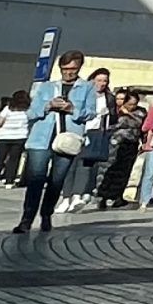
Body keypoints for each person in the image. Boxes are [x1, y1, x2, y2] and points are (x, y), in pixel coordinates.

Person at [15, 50, 106, 234]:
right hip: (41, 139)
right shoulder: (47, 87)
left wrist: (72, 108)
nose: (68, 73)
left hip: (67, 140)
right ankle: (26, 220)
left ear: (79, 67)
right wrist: (48, 105)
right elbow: (31, 113)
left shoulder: (87, 87)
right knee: (36, 179)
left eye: (72, 69)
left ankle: (46, 214)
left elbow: (91, 113)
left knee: (57, 180)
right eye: (65, 69)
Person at [58, 68, 117, 214]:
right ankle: (66, 198)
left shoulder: (108, 97)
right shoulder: (81, 93)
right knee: (69, 165)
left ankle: (78, 195)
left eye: (105, 81)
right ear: (92, 80)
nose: (102, 84)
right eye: (99, 80)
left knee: (86, 165)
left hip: (95, 133)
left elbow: (113, 117)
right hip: (77, 131)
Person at [94, 93, 146, 208]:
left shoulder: (140, 112)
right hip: (114, 143)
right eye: (129, 104)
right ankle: (102, 195)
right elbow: (107, 125)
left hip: (131, 143)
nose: (132, 106)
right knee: (108, 168)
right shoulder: (114, 111)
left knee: (124, 171)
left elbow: (141, 125)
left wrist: (128, 114)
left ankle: (116, 196)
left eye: (134, 104)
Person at [0, 92, 29, 185]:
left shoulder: (8, 109)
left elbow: (0, 122)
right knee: (14, 160)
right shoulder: (27, 110)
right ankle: (9, 181)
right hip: (20, 136)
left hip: (4, 136)